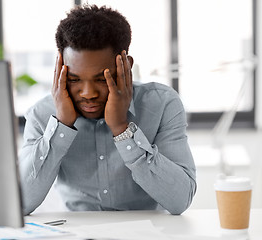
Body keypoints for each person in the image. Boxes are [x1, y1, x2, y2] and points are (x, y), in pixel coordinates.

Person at [19, 4, 196, 215]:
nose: (88, 93)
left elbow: (180, 201)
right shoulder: (41, 114)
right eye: (74, 79)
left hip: (147, 233)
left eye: (102, 79)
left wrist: (123, 129)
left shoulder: (162, 104)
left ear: (126, 67)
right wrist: (61, 125)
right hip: (77, 232)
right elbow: (22, 203)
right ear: (60, 70)